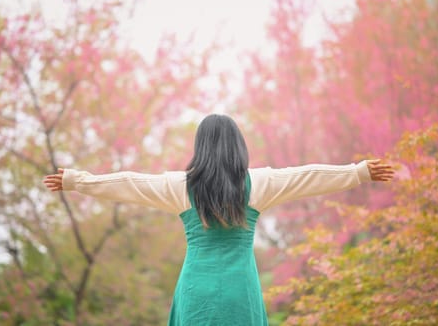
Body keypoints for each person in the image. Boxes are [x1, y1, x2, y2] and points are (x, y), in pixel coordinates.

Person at [43, 114, 394, 325]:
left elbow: (130, 184)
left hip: (196, 288)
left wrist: (78, 181)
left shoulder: (181, 187)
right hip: (240, 290)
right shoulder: (258, 185)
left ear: (200, 146)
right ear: (238, 146)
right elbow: (307, 176)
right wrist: (358, 172)